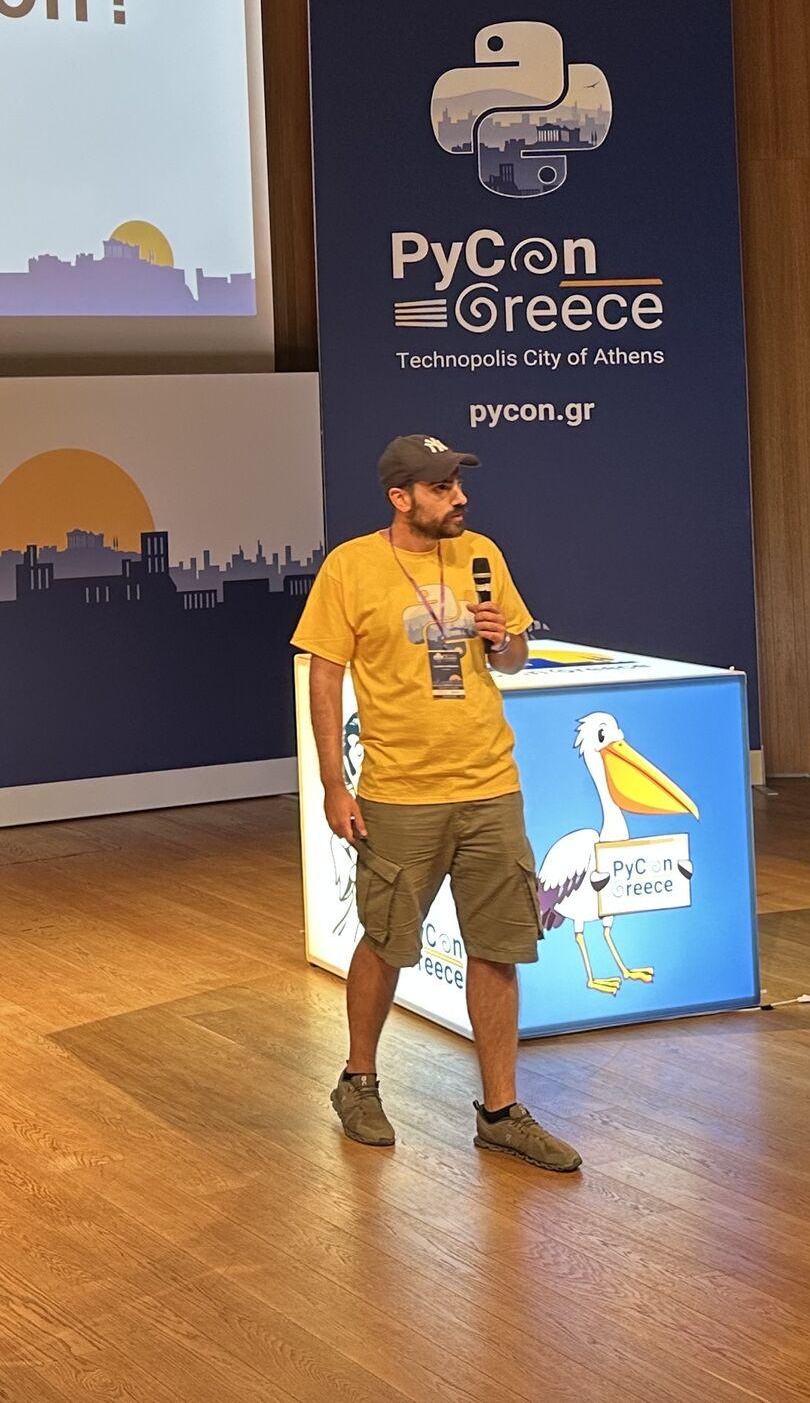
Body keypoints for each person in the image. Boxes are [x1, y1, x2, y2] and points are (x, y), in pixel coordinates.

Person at [294, 434, 580, 1172]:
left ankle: (500, 1112)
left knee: (498, 947)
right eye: (442, 487)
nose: (460, 498)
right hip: (400, 791)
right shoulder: (351, 566)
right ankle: (358, 1081)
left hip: (491, 785)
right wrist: (333, 783)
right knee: (387, 940)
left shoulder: (481, 554)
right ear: (401, 497)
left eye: (458, 483)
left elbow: (513, 659)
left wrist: (504, 640)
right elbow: (324, 677)